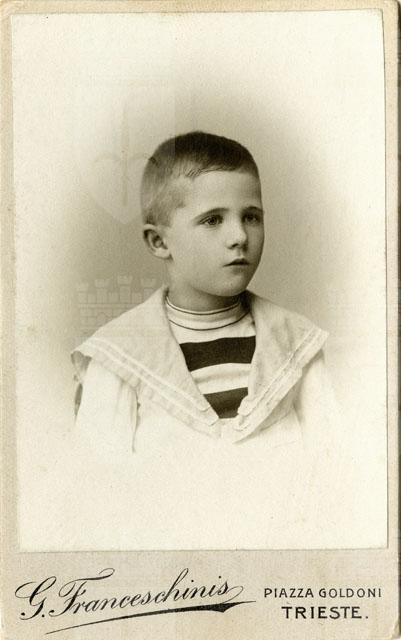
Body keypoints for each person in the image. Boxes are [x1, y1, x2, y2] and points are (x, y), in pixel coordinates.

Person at [70, 131, 350, 550]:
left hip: (284, 545)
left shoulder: (295, 343)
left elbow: (336, 468)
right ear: (159, 241)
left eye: (251, 216)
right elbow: (95, 491)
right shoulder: (122, 354)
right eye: (213, 219)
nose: (239, 236)